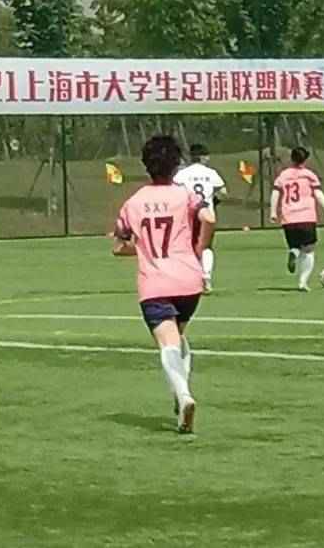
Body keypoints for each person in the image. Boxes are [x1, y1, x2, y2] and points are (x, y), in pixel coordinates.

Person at [113, 135, 216, 434]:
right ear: (176, 165)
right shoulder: (184, 195)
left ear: (146, 165)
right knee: (178, 338)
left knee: (167, 342)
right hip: (188, 280)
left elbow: (119, 246)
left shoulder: (133, 203)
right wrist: (199, 247)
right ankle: (179, 395)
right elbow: (209, 218)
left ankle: (183, 396)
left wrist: (141, 247)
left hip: (155, 283)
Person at [269, 146, 324, 292]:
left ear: (291, 158)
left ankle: (294, 252)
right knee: (309, 250)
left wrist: (273, 212)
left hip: (289, 217)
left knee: (295, 245)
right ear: (305, 160)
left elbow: (275, 193)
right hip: (306, 216)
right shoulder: (309, 175)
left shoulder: (284, 175)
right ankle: (302, 282)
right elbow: (318, 194)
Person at [173, 143, 227, 293]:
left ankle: (190, 278)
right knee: (206, 246)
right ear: (203, 157)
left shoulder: (182, 174)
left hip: (187, 215)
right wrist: (215, 200)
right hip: (206, 214)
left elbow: (174, 191)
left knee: (187, 247)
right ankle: (206, 275)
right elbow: (223, 192)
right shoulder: (211, 173)